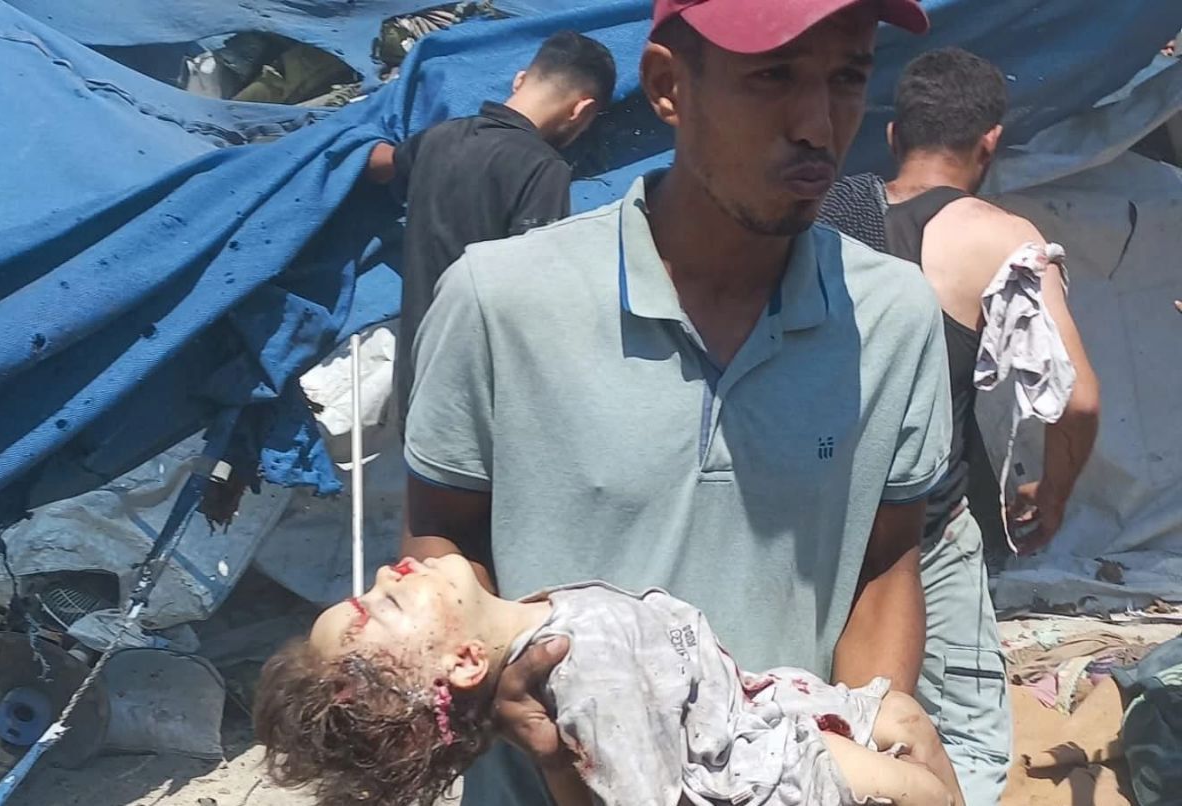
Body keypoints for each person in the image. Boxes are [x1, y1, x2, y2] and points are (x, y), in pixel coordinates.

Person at [399, 0, 954, 803]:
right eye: (773, 76)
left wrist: (864, 735)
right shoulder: (501, 302)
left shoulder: (891, 317)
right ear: (667, 86)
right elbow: (441, 534)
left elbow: (883, 562)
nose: (817, 125)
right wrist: (501, 688)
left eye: (847, 77)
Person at [818, 47, 1101, 804]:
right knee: (964, 740)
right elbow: (1076, 400)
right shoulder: (996, 236)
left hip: (812, 524)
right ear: (990, 141)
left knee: (828, 723)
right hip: (924, 534)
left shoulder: (822, 219)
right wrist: (1054, 491)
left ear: (892, 135)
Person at [255, 555, 965, 806]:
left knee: (904, 717)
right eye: (385, 605)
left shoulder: (536, 629)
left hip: (755, 711)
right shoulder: (581, 669)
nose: (387, 573)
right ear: (465, 662)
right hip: (758, 772)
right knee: (914, 786)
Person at [366, 30, 616, 425]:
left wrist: (344, 143)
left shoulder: (439, 139)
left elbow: (382, 163)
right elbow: (533, 296)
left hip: (417, 388)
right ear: (581, 111)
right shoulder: (542, 169)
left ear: (519, 80)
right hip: (482, 400)